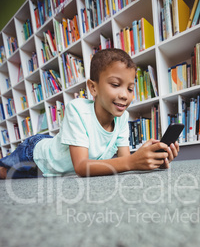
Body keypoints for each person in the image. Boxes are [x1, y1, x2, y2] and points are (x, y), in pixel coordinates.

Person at [0, 48, 179, 180]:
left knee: (14, 178)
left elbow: (125, 161)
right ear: (93, 88)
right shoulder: (77, 109)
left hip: (51, 172)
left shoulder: (122, 117)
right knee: (2, 173)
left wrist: (150, 160)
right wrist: (133, 161)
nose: (125, 95)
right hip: (35, 153)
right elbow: (81, 167)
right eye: (116, 85)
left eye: (130, 88)